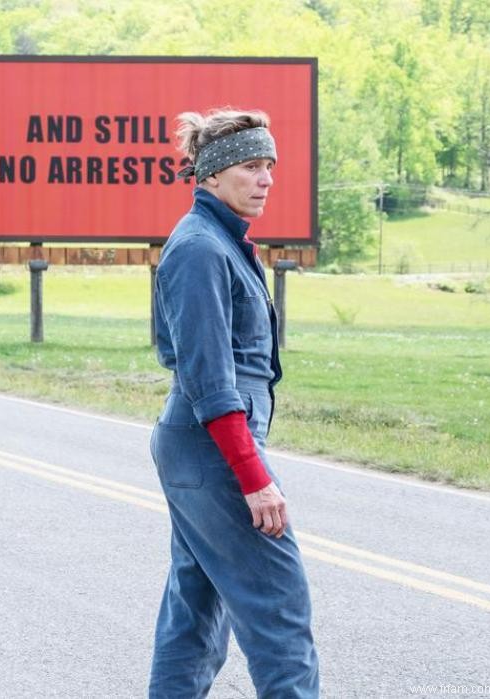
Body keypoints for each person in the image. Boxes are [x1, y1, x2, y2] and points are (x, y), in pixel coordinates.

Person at [149, 108, 320, 698]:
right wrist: (253, 477)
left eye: (270, 165)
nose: (266, 179)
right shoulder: (199, 250)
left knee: (196, 611)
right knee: (279, 611)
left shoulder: (220, 242)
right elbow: (210, 380)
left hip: (204, 446)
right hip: (213, 447)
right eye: (252, 166)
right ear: (213, 175)